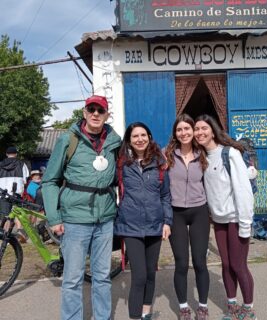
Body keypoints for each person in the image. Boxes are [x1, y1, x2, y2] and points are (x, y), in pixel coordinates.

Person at [41, 95, 121, 320]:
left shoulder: (114, 142)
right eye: (91, 109)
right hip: (75, 220)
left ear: (107, 115)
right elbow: (49, 181)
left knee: (103, 277)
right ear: (84, 113)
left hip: (105, 220)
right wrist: (54, 218)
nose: (96, 114)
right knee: (73, 278)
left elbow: (121, 176)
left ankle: (102, 317)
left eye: (100, 110)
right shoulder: (68, 139)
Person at [194, 114, 256, 320]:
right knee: (227, 265)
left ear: (213, 130)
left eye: (204, 128)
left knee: (239, 265)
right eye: (197, 129)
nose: (200, 132)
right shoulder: (201, 157)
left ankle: (248, 310)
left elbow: (243, 189)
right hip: (219, 221)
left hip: (236, 219)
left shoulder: (228, 154)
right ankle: (232, 307)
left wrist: (246, 224)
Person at [114, 122, 172, 320]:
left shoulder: (160, 163)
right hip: (131, 226)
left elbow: (165, 196)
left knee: (150, 274)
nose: (140, 139)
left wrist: (167, 222)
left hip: (155, 225)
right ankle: (135, 317)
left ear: (149, 137)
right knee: (139, 276)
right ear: (129, 140)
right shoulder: (122, 164)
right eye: (135, 136)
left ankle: (146, 312)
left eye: (143, 135)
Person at [164, 114, 210, 320]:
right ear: (175, 133)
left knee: (200, 262)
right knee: (181, 263)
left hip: (199, 211)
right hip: (176, 213)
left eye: (187, 129)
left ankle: (202, 306)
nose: (184, 133)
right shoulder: (167, 156)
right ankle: (183, 307)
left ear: (193, 131)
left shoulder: (203, 155)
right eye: (179, 129)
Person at [0, 146, 29, 241]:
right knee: (18, 212)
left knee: (6, 215)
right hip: (16, 193)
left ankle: (5, 236)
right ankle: (19, 230)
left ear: (6, 154)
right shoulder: (22, 164)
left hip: (4, 193)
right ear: (16, 154)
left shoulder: (0, 164)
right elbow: (25, 180)